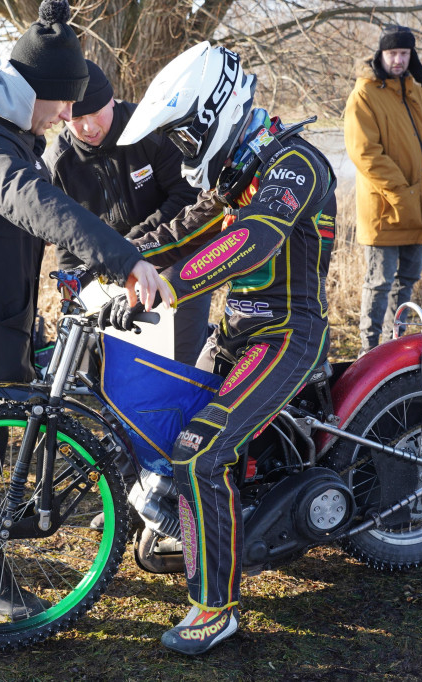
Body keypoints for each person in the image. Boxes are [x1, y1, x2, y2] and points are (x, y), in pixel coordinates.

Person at [0, 0, 170, 623]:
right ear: (31, 92)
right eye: (58, 106)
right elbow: (29, 200)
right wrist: (122, 258)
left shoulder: (1, 128)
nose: (63, 119)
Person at [104, 41, 338, 654]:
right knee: (169, 433)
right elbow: (184, 228)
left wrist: (166, 287)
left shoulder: (296, 165)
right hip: (236, 335)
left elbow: (255, 241)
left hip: (287, 336)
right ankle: (200, 529)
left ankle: (217, 610)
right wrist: (117, 264)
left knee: (199, 452)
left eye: (185, 138)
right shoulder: (239, 177)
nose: (183, 152)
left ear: (214, 114)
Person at [44, 60, 208, 364]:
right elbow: (66, 236)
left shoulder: (150, 130)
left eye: (95, 114)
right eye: (77, 119)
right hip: (108, 267)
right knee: (107, 368)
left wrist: (128, 247)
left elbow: (188, 198)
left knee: (179, 361)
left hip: (175, 254)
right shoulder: (59, 161)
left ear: (112, 100)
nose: (88, 128)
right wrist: (72, 289)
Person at [344, 25, 422, 353]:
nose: (399, 60)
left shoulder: (416, 91)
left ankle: (395, 347)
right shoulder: (365, 93)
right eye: (392, 54)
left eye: (404, 54)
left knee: (407, 281)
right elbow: (365, 154)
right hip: (385, 208)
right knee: (378, 283)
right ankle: (368, 351)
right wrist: (403, 193)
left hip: (420, 206)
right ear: (381, 55)